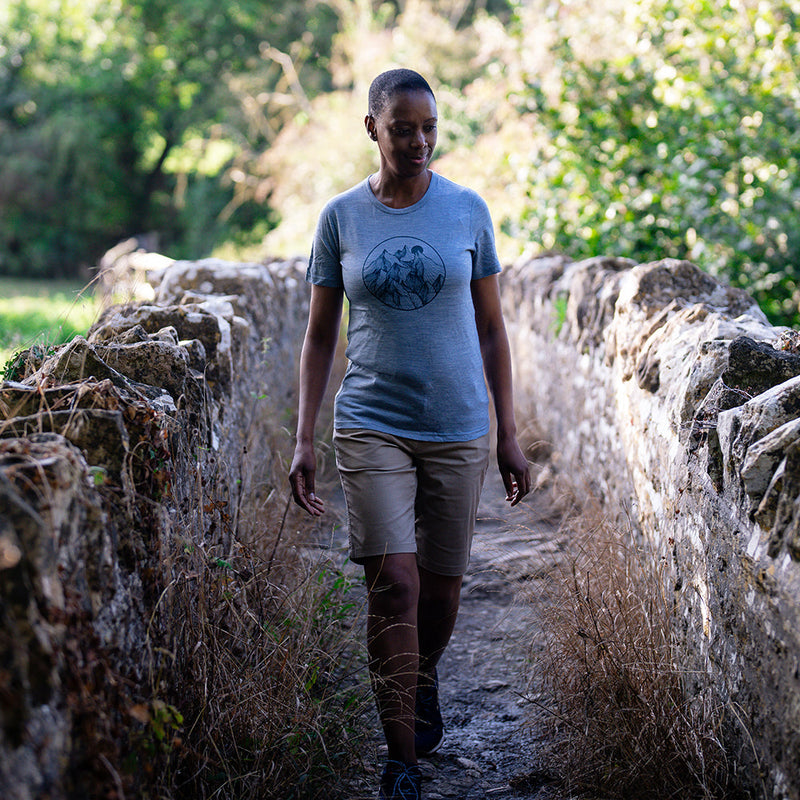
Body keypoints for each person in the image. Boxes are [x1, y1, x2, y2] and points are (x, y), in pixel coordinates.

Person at [288, 68, 530, 800]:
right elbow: (320, 335)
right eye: (402, 127)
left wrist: (507, 435)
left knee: (443, 591)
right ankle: (401, 761)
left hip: (458, 425)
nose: (418, 140)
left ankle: (420, 677)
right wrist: (304, 438)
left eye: (428, 127)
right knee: (394, 584)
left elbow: (492, 329)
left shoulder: (467, 212)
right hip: (370, 422)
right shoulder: (341, 218)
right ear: (372, 128)